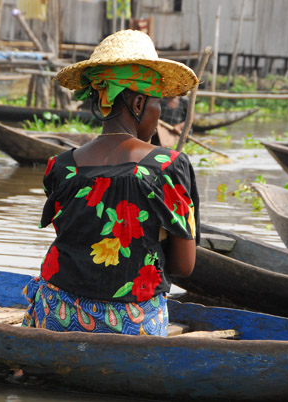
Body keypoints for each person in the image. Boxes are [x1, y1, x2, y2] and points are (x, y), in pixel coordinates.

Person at [22, 30, 200, 336]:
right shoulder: (168, 166)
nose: (159, 116)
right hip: (132, 323)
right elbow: (183, 266)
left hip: (57, 313)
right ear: (138, 102)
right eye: (157, 103)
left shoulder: (60, 166)